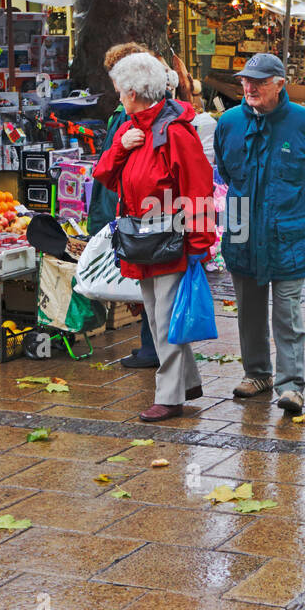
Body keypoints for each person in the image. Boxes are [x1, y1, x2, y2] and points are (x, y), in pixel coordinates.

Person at [93, 52, 215, 422]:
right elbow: (104, 175)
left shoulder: (174, 131)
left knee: (164, 320)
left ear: (132, 91)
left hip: (169, 240)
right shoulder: (134, 129)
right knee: (160, 318)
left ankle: (169, 396)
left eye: (119, 90)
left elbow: (198, 189)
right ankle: (185, 383)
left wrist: (198, 245)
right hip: (144, 238)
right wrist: (120, 147)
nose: (117, 97)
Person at [215, 53, 305, 415]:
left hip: (287, 228)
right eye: (246, 81)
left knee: (286, 311)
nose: (249, 88)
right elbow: (225, 170)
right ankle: (257, 373)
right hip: (242, 224)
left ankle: (291, 385)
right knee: (248, 307)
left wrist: (285, 205)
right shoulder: (229, 122)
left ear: (280, 84)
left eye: (259, 82)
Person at [88, 42, 159, 370]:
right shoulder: (129, 115)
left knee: (146, 276)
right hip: (129, 206)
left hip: (131, 208)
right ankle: (149, 345)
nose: (114, 88)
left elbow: (107, 171)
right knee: (143, 278)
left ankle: (152, 347)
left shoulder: (130, 117)